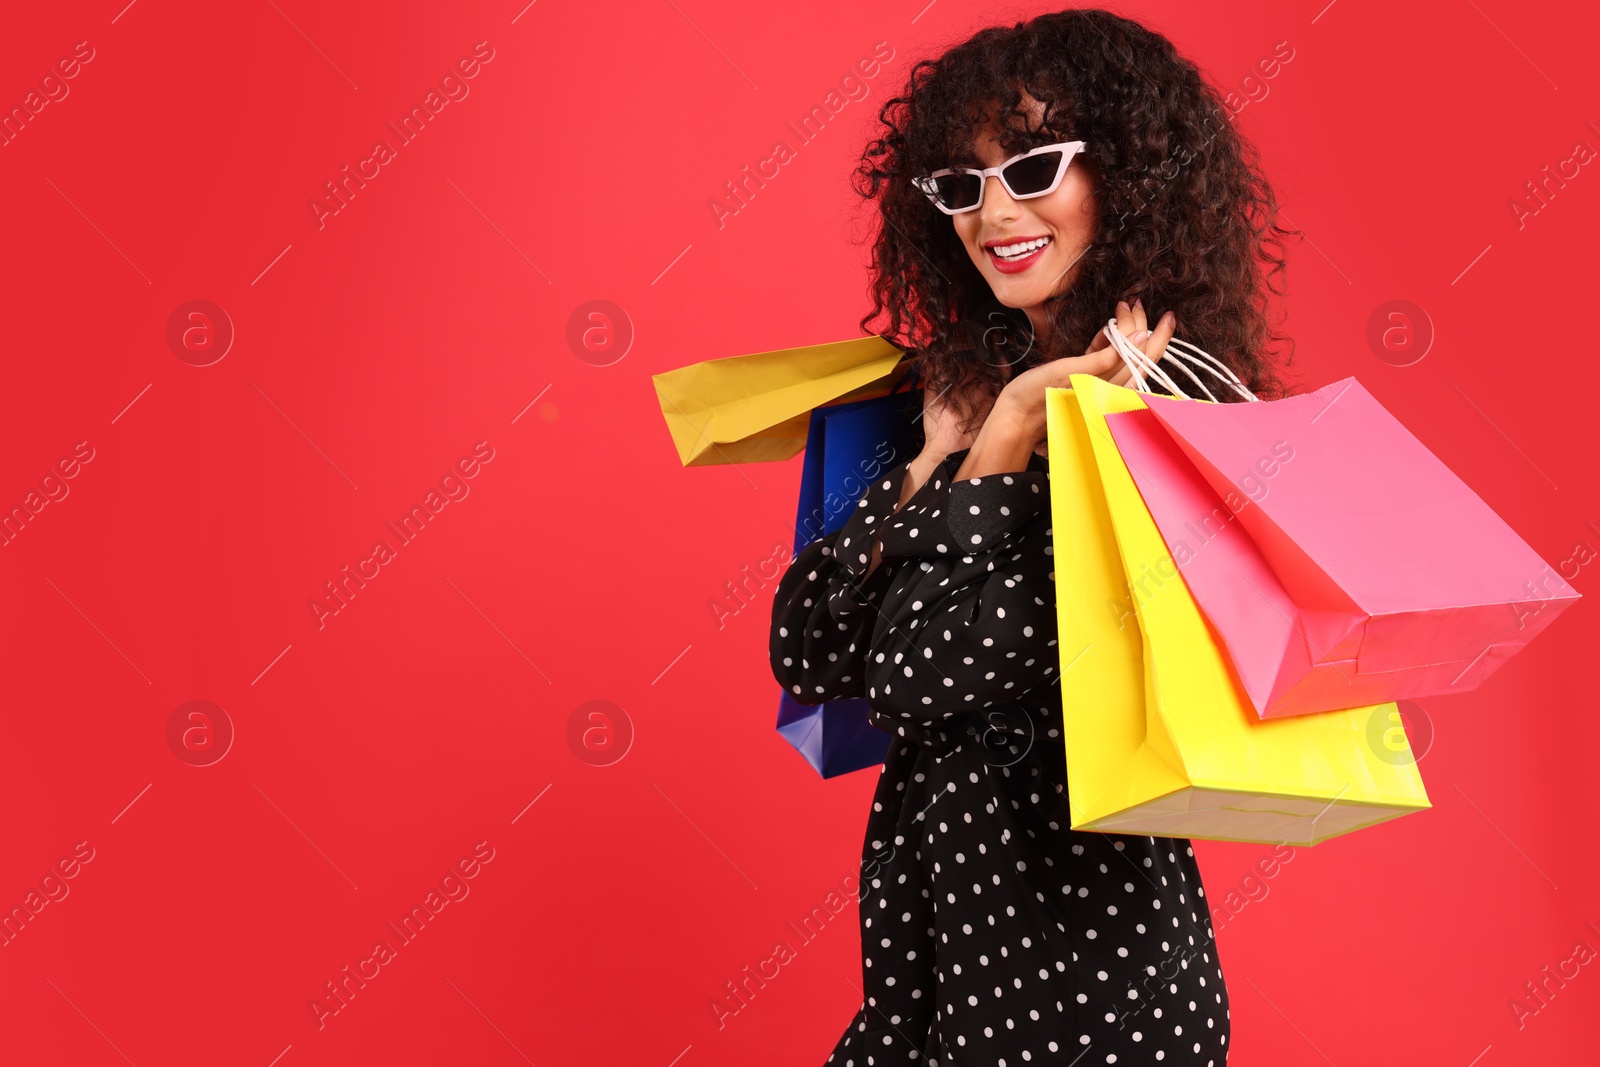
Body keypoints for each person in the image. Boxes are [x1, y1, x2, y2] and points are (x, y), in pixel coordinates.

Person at [769, 9, 1296, 1065]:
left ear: (1130, 177)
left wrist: (1004, 437)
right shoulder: (951, 388)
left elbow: (917, 674)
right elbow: (812, 651)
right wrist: (935, 454)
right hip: (927, 980)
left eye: (1033, 165)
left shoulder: (1160, 438)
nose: (992, 211)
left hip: (1086, 1000)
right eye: (961, 183)